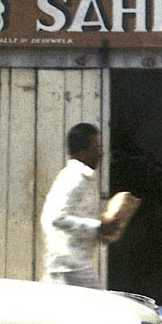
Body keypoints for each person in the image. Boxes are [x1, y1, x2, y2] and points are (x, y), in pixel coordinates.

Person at [41, 122, 118, 289]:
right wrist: (98, 226)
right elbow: (57, 218)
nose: (101, 153)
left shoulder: (83, 177)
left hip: (69, 263)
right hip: (70, 265)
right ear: (82, 153)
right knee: (99, 308)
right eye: (96, 148)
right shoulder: (73, 178)